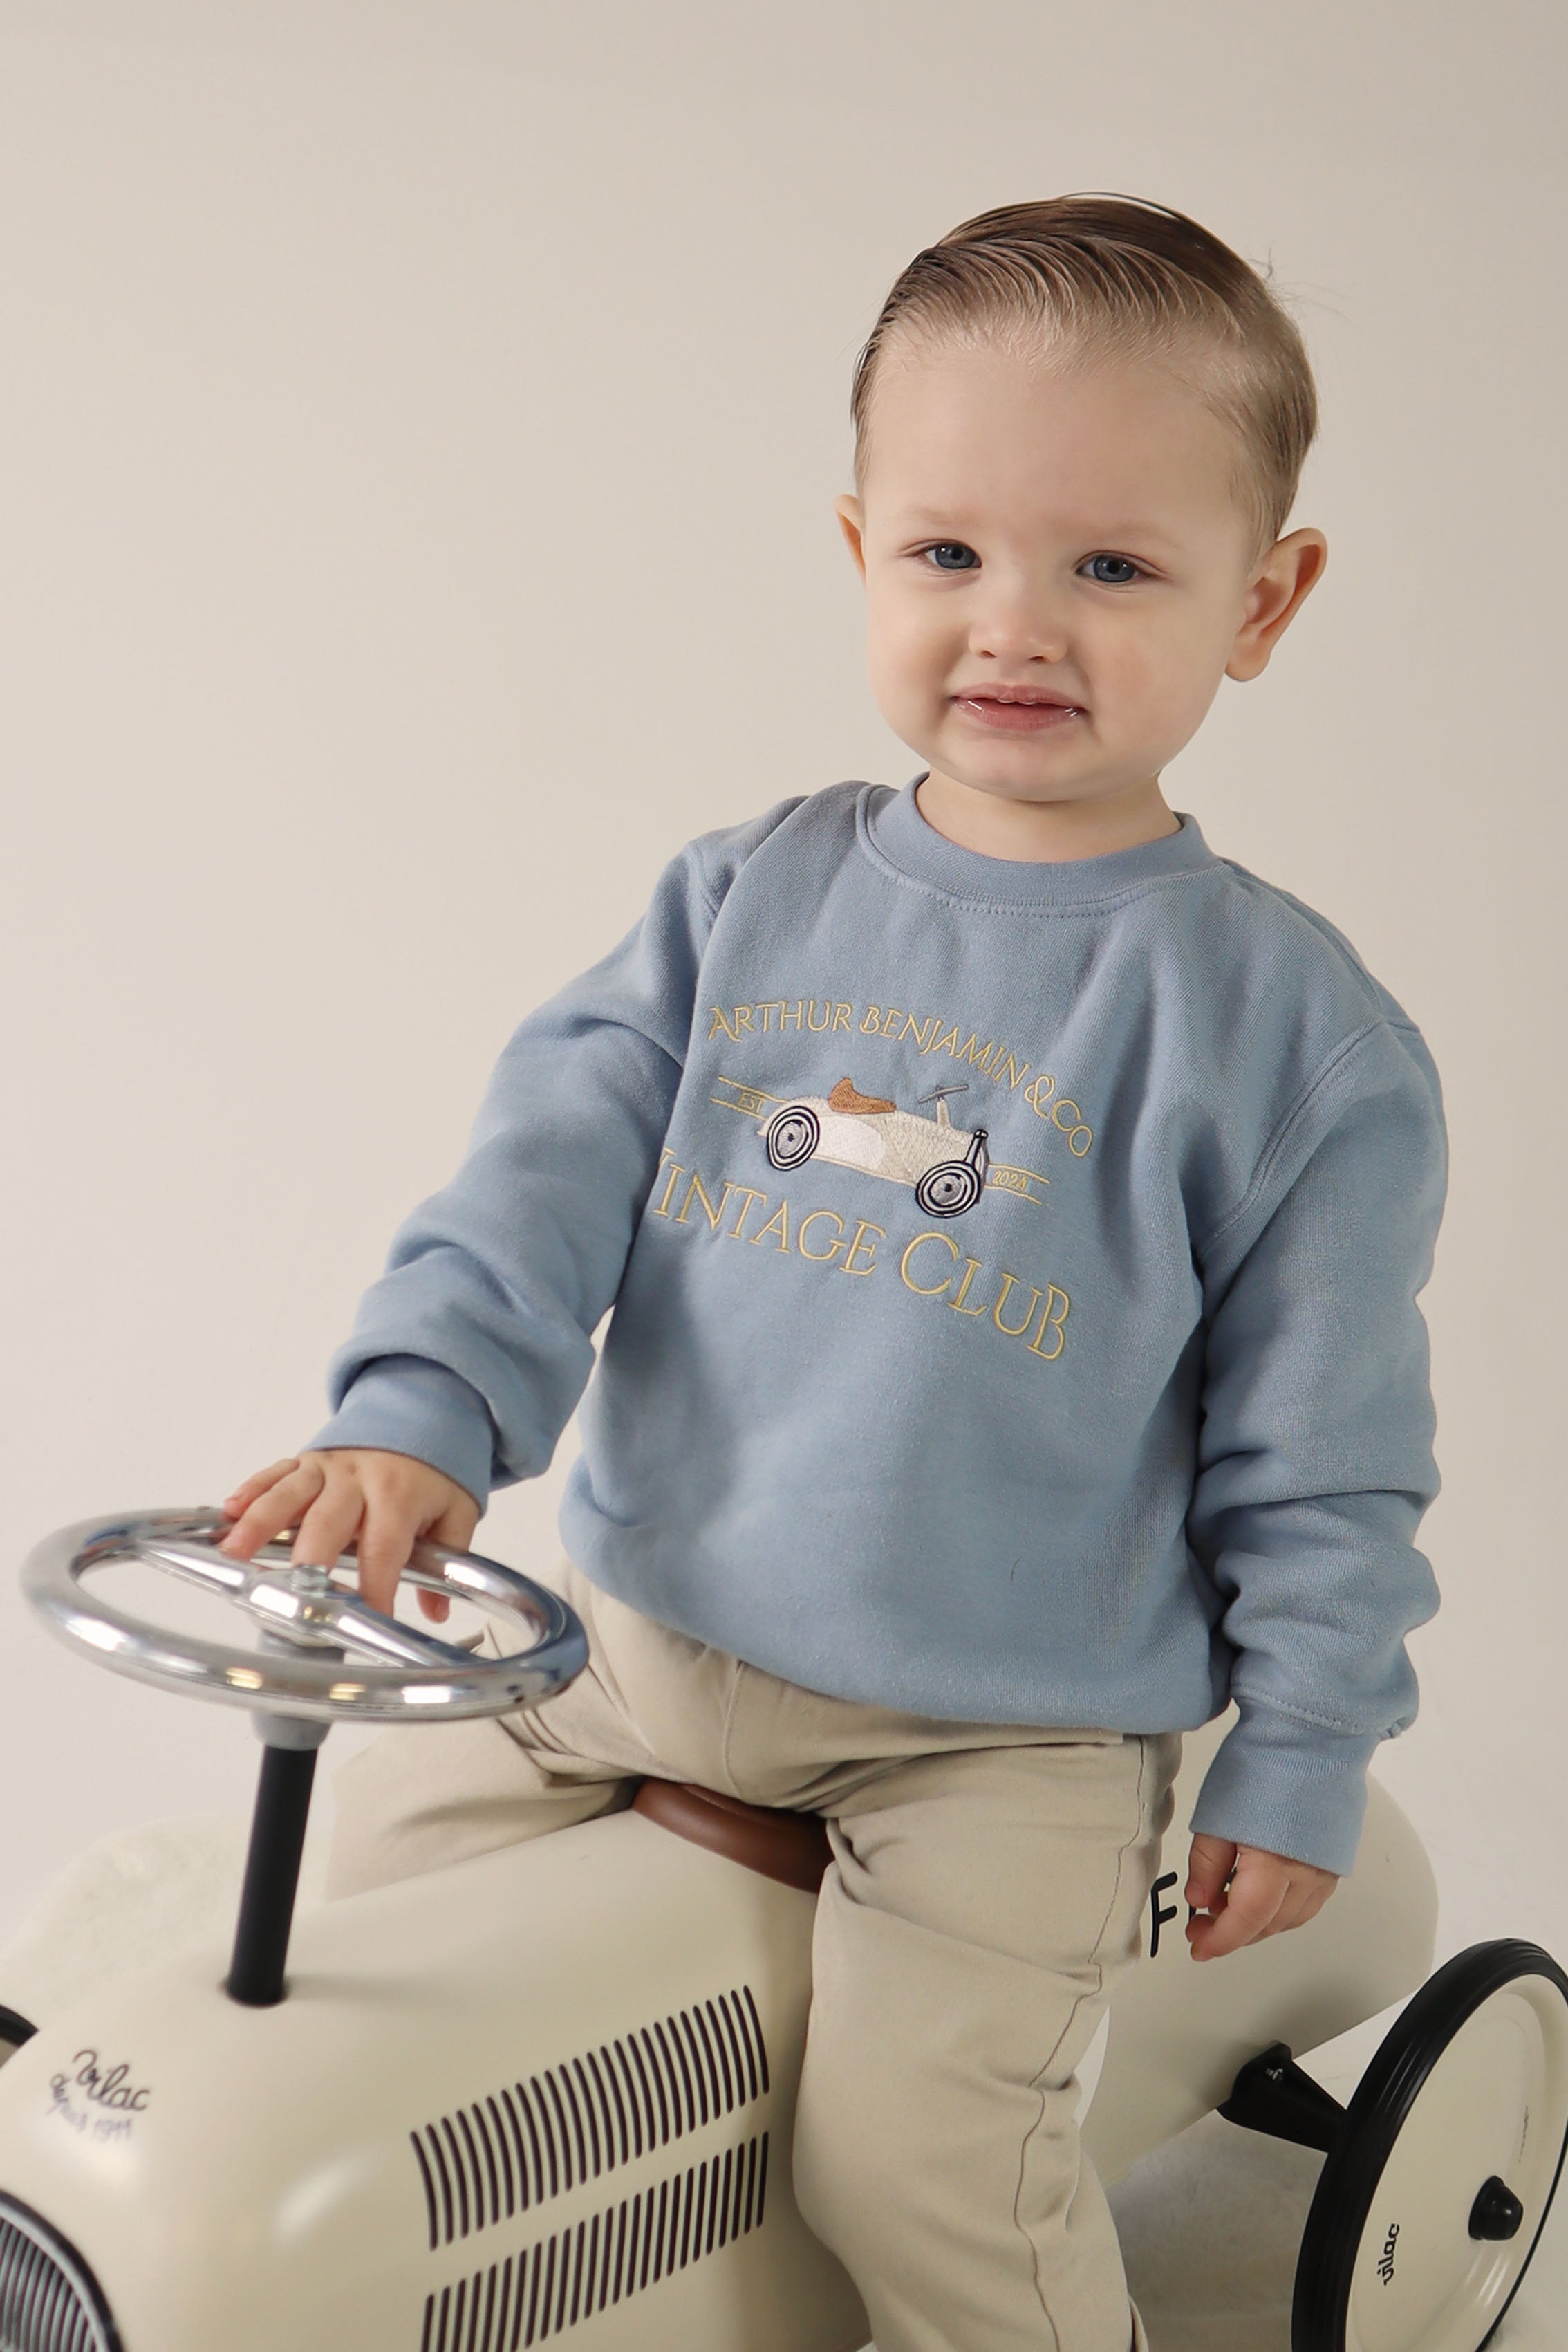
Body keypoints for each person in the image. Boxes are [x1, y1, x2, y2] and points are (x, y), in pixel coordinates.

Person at [219, 194, 1446, 2352]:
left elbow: (1321, 1445)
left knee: (916, 2162)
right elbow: (538, 1184)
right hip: (631, 1632)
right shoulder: (738, 901)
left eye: (1113, 566)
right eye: (951, 552)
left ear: (1265, 602)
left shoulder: (1289, 1036)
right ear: (860, 541)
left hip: (996, 1733)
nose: (1018, 626)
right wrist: (412, 1417)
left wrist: (1301, 1745)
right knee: (354, 1940)